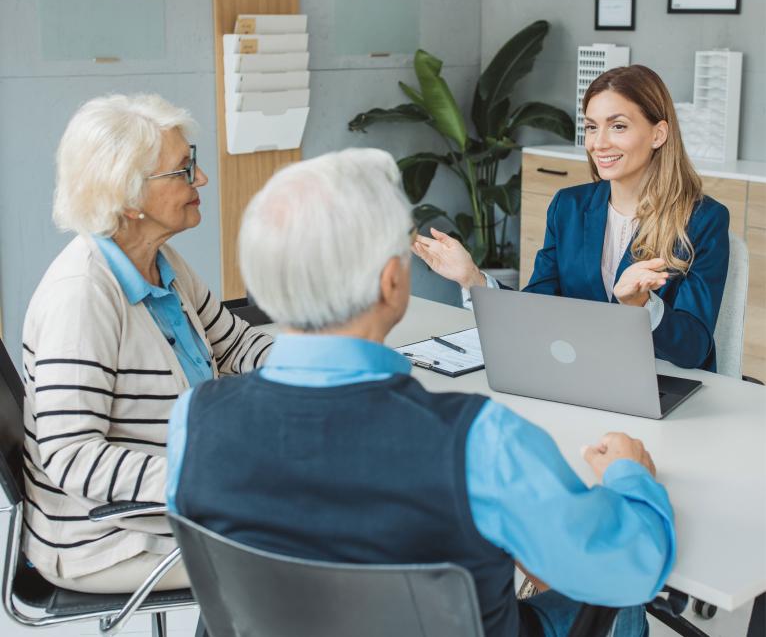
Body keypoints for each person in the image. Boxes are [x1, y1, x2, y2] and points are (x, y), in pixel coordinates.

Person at [166, 148, 675, 637]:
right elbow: (632, 566)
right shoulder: (480, 440)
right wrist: (629, 477)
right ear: (392, 282)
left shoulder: (194, 420)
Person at [22, 94, 273, 593]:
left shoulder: (163, 263)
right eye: (184, 170)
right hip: (110, 538)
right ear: (128, 197)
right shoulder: (82, 296)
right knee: (320, 542)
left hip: (186, 495)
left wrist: (326, 372)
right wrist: (217, 479)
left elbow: (235, 344)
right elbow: (73, 457)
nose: (201, 180)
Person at [414, 65, 729, 372]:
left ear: (658, 134)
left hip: (659, 381)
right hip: (578, 374)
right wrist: (472, 279)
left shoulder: (703, 219)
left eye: (618, 126)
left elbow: (694, 348)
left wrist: (643, 304)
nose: (598, 143)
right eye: (592, 127)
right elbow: (537, 309)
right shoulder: (568, 207)